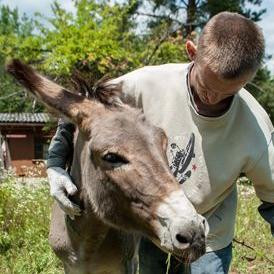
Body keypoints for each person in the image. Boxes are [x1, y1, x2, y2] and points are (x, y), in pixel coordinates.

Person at [46, 12, 274, 274]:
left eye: (229, 92)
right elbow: (84, 107)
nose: (212, 98)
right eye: (206, 84)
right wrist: (55, 164)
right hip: (154, 217)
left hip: (210, 228)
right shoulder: (145, 84)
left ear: (249, 79)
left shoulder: (256, 128)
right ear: (191, 52)